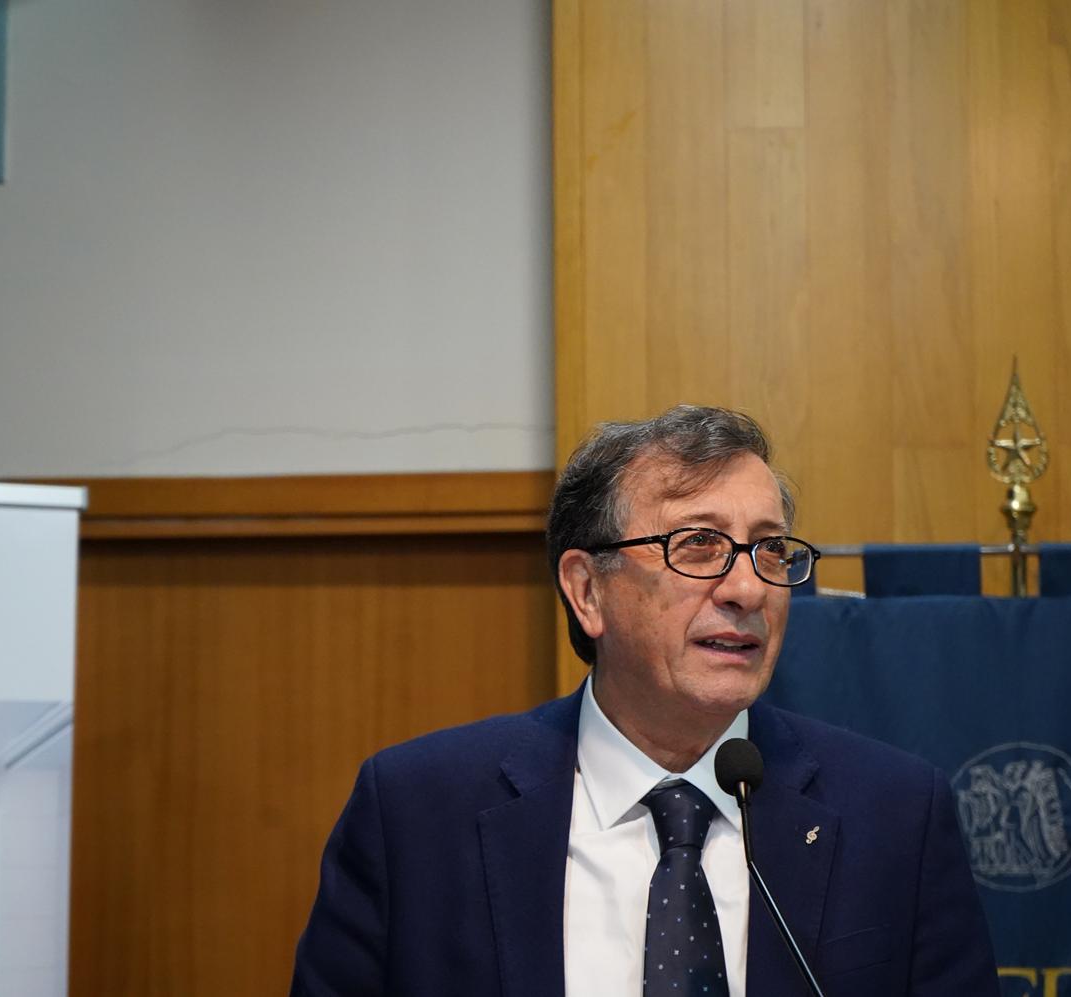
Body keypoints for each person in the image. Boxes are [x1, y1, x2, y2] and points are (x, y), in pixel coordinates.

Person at [291, 405, 998, 996]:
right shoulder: (415, 812)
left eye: (770, 550)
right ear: (587, 590)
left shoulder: (895, 815)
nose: (748, 589)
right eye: (699, 544)